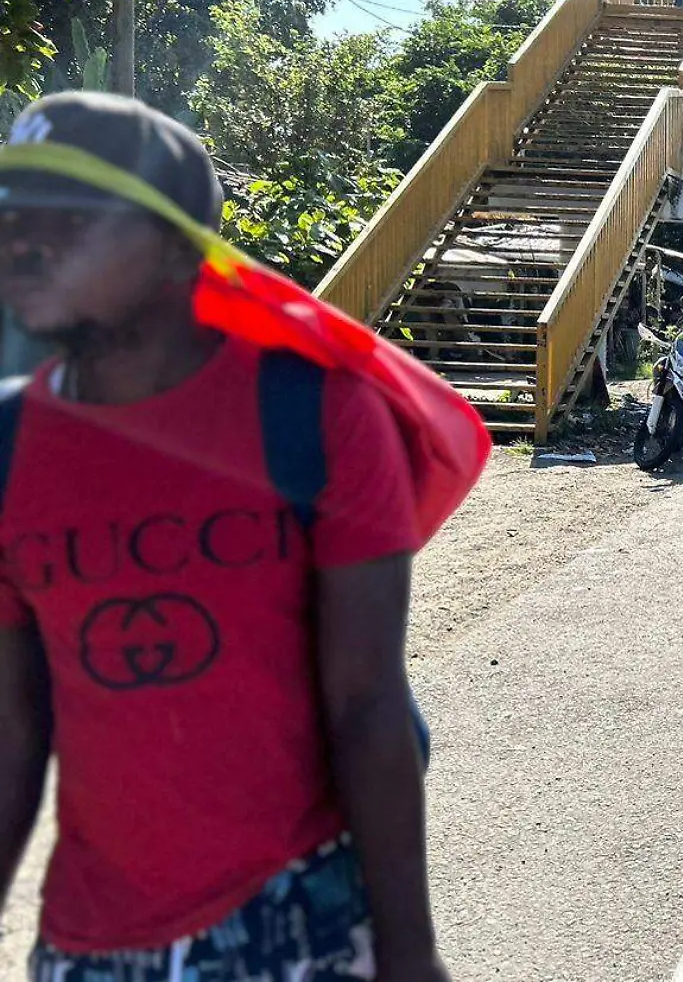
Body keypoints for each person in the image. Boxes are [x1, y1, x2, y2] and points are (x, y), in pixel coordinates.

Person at [0, 93, 450, 980]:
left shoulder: (316, 412)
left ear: (175, 247)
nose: (22, 238)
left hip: (299, 918)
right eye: (12, 210)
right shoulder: (6, 447)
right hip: (88, 947)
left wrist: (410, 952)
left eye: (71, 215)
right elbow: (12, 730)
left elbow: (366, 704)